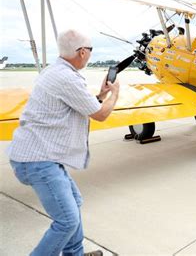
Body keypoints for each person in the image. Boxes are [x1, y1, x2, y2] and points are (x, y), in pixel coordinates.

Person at [6, 29, 120, 256]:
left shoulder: (56, 71)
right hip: (38, 159)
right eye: (90, 49)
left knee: (75, 203)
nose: (90, 54)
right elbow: (100, 115)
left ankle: (74, 254)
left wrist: (101, 95)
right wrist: (115, 94)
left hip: (42, 156)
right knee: (66, 221)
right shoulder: (66, 77)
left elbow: (85, 106)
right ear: (81, 52)